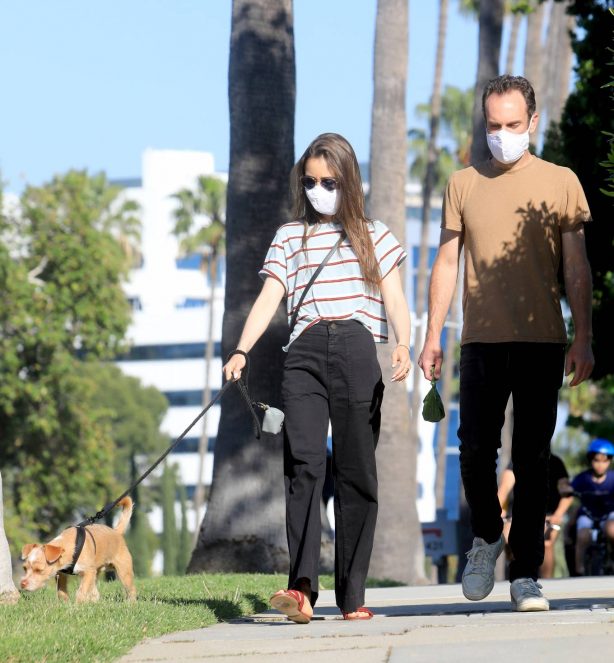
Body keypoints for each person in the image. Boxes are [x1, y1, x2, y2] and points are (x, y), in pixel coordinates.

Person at [418, 75, 594, 612]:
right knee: (474, 449)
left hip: (542, 340)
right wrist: (431, 335)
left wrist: (583, 336)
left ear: (533, 123)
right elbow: (447, 262)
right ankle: (486, 536)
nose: (502, 135)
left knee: (532, 457)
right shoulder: (462, 183)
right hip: (481, 341)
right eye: (493, 126)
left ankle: (524, 576)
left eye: (513, 125)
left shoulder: (561, 180)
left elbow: (576, 266)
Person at [223, 133, 411, 623]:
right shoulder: (290, 236)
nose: (317, 189)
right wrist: (242, 349)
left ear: (348, 180)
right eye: (309, 181)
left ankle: (353, 596)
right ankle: (301, 588)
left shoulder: (375, 234)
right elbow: (269, 297)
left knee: (355, 471)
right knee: (303, 464)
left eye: (328, 181)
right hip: (303, 354)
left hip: (357, 348)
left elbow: (394, 299)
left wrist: (404, 345)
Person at [497, 454, 573, 578]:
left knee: (545, 542)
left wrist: (557, 515)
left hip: (547, 516)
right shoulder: (517, 460)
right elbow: (504, 489)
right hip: (518, 515)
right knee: (508, 537)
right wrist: (500, 510)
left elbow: (567, 495)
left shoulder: (555, 462)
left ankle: (546, 580)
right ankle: (516, 575)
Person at [560, 438, 614, 575]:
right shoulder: (583, 478)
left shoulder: (612, 478)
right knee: (582, 536)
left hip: (609, 514)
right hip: (587, 514)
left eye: (605, 460)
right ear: (590, 460)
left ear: (610, 461)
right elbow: (567, 488)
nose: (600, 465)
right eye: (597, 460)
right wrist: (566, 489)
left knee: (611, 529)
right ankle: (579, 570)